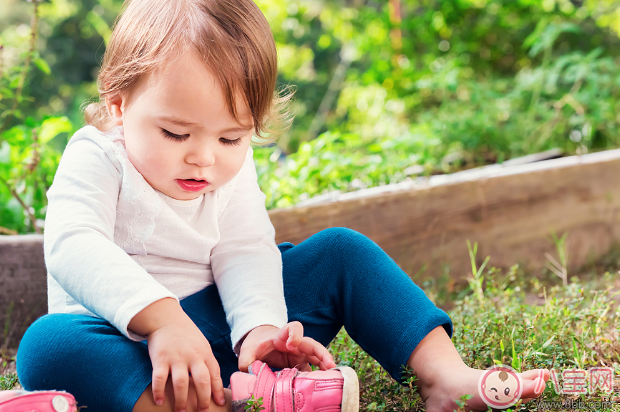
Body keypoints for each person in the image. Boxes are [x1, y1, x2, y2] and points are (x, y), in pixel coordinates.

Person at [15, 0, 550, 411]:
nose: (204, 158)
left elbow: (245, 248)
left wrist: (259, 331)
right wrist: (162, 323)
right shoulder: (95, 156)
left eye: (231, 138)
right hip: (130, 343)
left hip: (226, 330)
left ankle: (445, 377)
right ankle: (196, 403)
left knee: (342, 251)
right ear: (119, 104)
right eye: (177, 132)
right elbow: (73, 245)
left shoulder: (229, 167)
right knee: (47, 345)